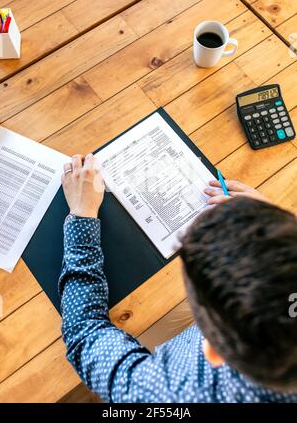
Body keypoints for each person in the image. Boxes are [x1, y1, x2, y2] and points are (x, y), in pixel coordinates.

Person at [59, 153, 297, 403]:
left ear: (212, 352)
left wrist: (82, 216)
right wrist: (271, 227)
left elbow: (84, 332)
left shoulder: (168, 396)